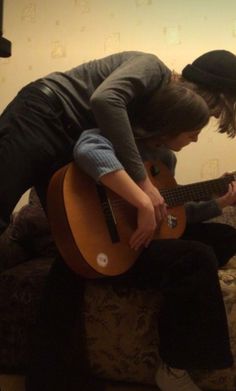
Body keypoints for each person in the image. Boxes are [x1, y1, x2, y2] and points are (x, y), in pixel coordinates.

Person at [0, 50, 234, 391]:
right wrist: (142, 192)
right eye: (200, 122)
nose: (199, 133)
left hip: (82, 152)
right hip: (42, 115)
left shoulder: (160, 153)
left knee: (75, 247)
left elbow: (169, 209)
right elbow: (103, 106)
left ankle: (51, 375)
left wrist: (217, 202)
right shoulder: (150, 70)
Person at [73, 117, 236, 390]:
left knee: (225, 236)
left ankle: (186, 286)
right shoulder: (123, 142)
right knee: (197, 257)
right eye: (192, 132)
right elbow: (87, 147)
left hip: (149, 238)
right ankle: (174, 368)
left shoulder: (164, 159)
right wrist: (141, 202)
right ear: (169, 125)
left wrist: (221, 202)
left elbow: (174, 212)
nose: (195, 140)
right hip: (116, 244)